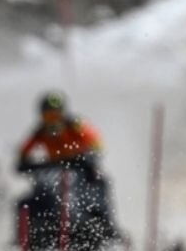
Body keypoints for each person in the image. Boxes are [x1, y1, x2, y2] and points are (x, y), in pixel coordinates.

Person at [16, 91, 120, 236]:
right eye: (48, 116)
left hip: (80, 168)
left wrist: (89, 156)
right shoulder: (39, 132)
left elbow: (96, 142)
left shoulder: (75, 125)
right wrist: (24, 163)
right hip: (51, 170)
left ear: (63, 113)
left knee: (101, 184)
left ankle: (108, 226)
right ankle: (25, 233)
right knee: (27, 200)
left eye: (55, 115)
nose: (52, 121)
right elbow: (23, 151)